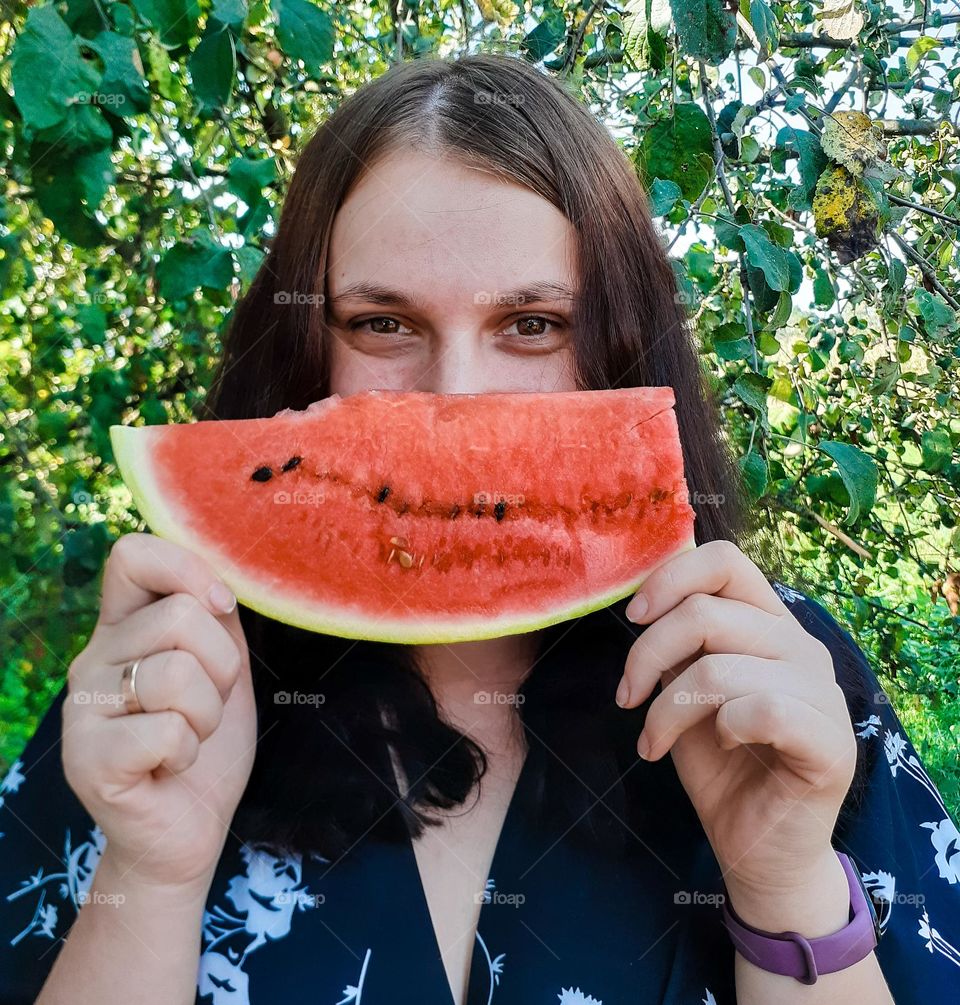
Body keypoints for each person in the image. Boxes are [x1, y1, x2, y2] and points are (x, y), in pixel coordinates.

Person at [2, 53, 959, 1005]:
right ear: (302, 344)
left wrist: (785, 886)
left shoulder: (782, 681)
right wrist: (153, 879)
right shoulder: (161, 695)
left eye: (534, 323)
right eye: (382, 323)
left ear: (621, 349)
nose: (455, 400)